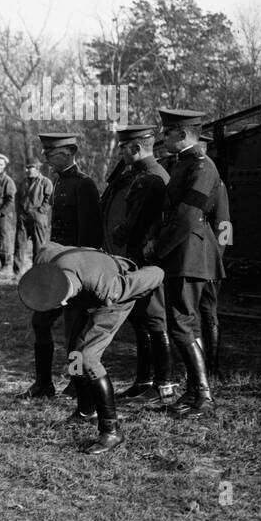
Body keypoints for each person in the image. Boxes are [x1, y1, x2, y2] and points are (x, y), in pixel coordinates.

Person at [19, 246, 166, 454]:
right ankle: (86, 411)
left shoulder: (109, 287)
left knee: (87, 357)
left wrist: (156, 268)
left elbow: (157, 273)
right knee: (74, 354)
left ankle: (111, 431)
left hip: (113, 298)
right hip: (83, 289)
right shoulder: (45, 257)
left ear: (63, 301)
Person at [146, 108, 225, 416]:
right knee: (185, 324)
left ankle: (203, 395)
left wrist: (158, 248)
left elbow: (187, 217)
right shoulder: (185, 164)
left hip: (190, 255)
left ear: (182, 134)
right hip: (184, 254)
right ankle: (195, 391)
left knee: (180, 324)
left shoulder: (203, 167)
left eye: (167, 133)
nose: (163, 138)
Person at [22, 133, 102, 398]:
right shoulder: (58, 182)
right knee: (40, 321)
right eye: (45, 153)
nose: (46, 159)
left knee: (75, 331)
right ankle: (44, 384)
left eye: (51, 153)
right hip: (58, 266)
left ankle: (78, 385)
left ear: (69, 153)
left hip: (77, 271)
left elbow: (90, 236)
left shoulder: (84, 185)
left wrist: (78, 275)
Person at [100, 124, 172, 402]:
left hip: (143, 259)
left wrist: (118, 232)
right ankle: (144, 381)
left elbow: (133, 225)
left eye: (123, 148)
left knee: (154, 321)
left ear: (135, 148)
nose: (121, 153)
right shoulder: (150, 174)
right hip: (142, 259)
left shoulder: (148, 179)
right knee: (142, 320)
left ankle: (163, 385)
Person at [198, 137, 230, 380]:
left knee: (208, 313)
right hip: (193, 259)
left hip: (208, 261)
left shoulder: (215, 182)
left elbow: (224, 224)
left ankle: (212, 366)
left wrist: (217, 257)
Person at [15, 158, 53, 276]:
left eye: (30, 168)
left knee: (39, 247)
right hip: (23, 217)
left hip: (38, 217)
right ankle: (16, 271)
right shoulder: (23, 182)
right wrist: (19, 211)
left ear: (37, 168)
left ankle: (37, 272)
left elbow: (49, 198)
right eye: (27, 168)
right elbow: (17, 197)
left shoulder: (45, 182)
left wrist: (41, 210)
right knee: (19, 244)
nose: (27, 170)